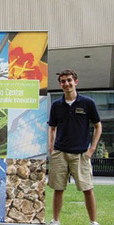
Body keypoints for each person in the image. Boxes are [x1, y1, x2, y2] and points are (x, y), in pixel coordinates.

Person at [48, 69, 102, 225]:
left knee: (88, 189)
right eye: (63, 81)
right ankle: (56, 221)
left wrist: (91, 149)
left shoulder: (88, 103)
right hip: (60, 153)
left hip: (81, 154)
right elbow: (52, 127)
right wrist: (51, 148)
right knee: (58, 189)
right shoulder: (56, 105)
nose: (66, 84)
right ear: (60, 84)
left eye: (69, 80)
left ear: (75, 82)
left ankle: (93, 222)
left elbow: (98, 126)